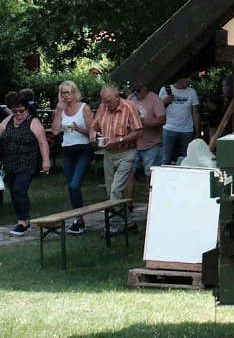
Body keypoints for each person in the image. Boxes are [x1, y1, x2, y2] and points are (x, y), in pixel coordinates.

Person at [89, 86, 143, 233]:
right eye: (104, 102)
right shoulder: (102, 107)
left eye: (109, 102)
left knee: (115, 190)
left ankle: (114, 226)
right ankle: (130, 223)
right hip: (109, 153)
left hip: (126, 152)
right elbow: (93, 127)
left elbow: (139, 132)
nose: (107, 105)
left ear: (116, 97)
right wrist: (93, 134)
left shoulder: (129, 106)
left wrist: (119, 140)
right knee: (110, 192)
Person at [0, 89, 51, 236]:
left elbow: (42, 142)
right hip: (9, 163)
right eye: (15, 111)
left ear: (27, 110)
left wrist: (46, 161)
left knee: (19, 189)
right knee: (14, 192)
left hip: (28, 162)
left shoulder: (33, 122)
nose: (18, 114)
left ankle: (23, 221)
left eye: (21, 111)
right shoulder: (8, 121)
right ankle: (23, 220)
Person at [50, 80, 94, 235]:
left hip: (83, 149)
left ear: (75, 93)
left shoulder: (84, 108)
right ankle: (79, 219)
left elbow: (92, 132)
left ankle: (78, 218)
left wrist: (78, 129)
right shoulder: (60, 110)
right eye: (63, 92)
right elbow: (55, 132)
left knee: (75, 185)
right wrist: (57, 111)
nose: (66, 95)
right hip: (67, 149)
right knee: (71, 186)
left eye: (69, 92)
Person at [123, 82, 165, 200]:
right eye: (133, 90)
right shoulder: (130, 99)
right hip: (134, 144)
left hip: (152, 145)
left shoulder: (155, 100)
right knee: (129, 174)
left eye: (138, 90)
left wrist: (140, 122)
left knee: (151, 176)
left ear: (145, 87)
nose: (135, 93)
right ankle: (128, 204)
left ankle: (152, 204)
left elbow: (162, 120)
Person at [159, 75, 200, 165]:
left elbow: (195, 112)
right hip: (168, 128)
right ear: (180, 78)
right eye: (187, 78)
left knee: (186, 158)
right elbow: (158, 109)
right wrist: (165, 101)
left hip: (187, 130)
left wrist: (197, 132)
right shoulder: (165, 90)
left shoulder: (192, 92)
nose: (189, 81)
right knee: (166, 158)